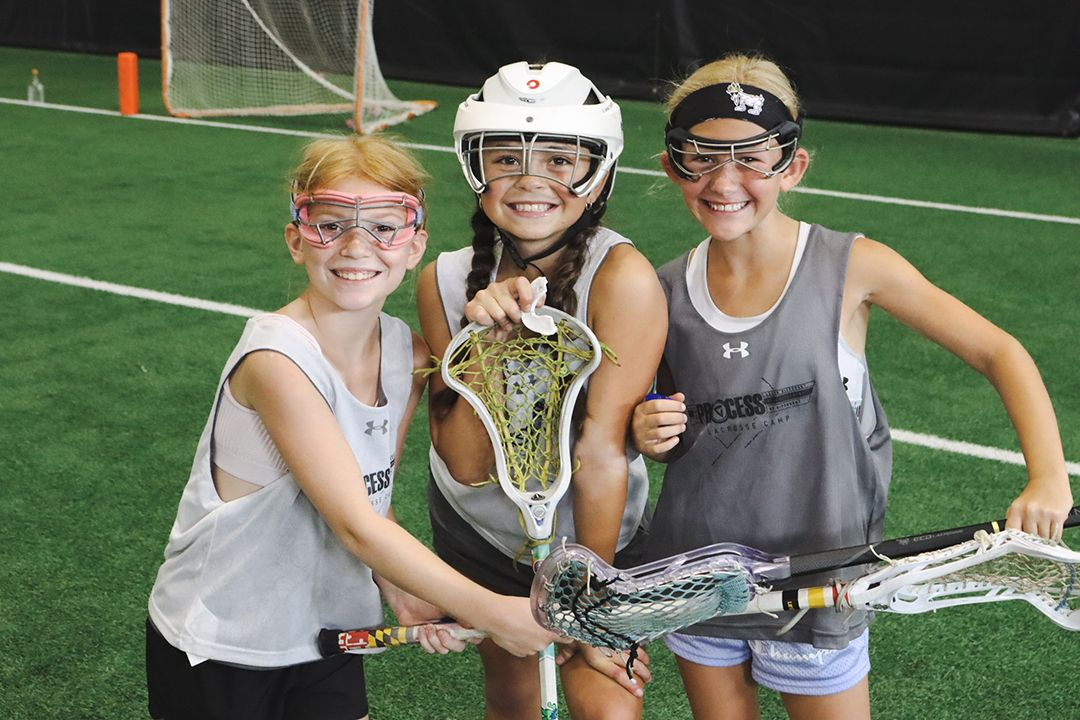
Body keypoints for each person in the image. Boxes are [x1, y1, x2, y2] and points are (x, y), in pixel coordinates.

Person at [631, 53, 1074, 720]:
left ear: (793, 166)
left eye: (753, 157)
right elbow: (670, 429)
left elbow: (1000, 351)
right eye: (701, 156)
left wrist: (1047, 478)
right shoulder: (661, 290)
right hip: (704, 579)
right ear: (672, 166)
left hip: (824, 582)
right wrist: (649, 434)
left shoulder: (852, 266)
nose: (725, 179)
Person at [145, 134, 559, 720]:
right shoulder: (276, 359)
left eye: (385, 227)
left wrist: (407, 596)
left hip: (327, 629)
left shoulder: (406, 354)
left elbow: (373, 494)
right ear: (297, 239)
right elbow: (355, 525)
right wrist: (491, 610)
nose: (357, 246)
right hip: (223, 640)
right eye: (331, 223)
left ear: (416, 245)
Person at [416, 61, 668, 719]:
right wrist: (492, 344)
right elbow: (470, 466)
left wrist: (590, 604)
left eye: (560, 158)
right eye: (505, 157)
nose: (530, 179)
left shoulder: (625, 278)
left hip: (598, 533)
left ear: (599, 174)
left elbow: (603, 452)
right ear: (475, 168)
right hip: (482, 531)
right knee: (515, 695)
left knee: (608, 702)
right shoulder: (442, 282)